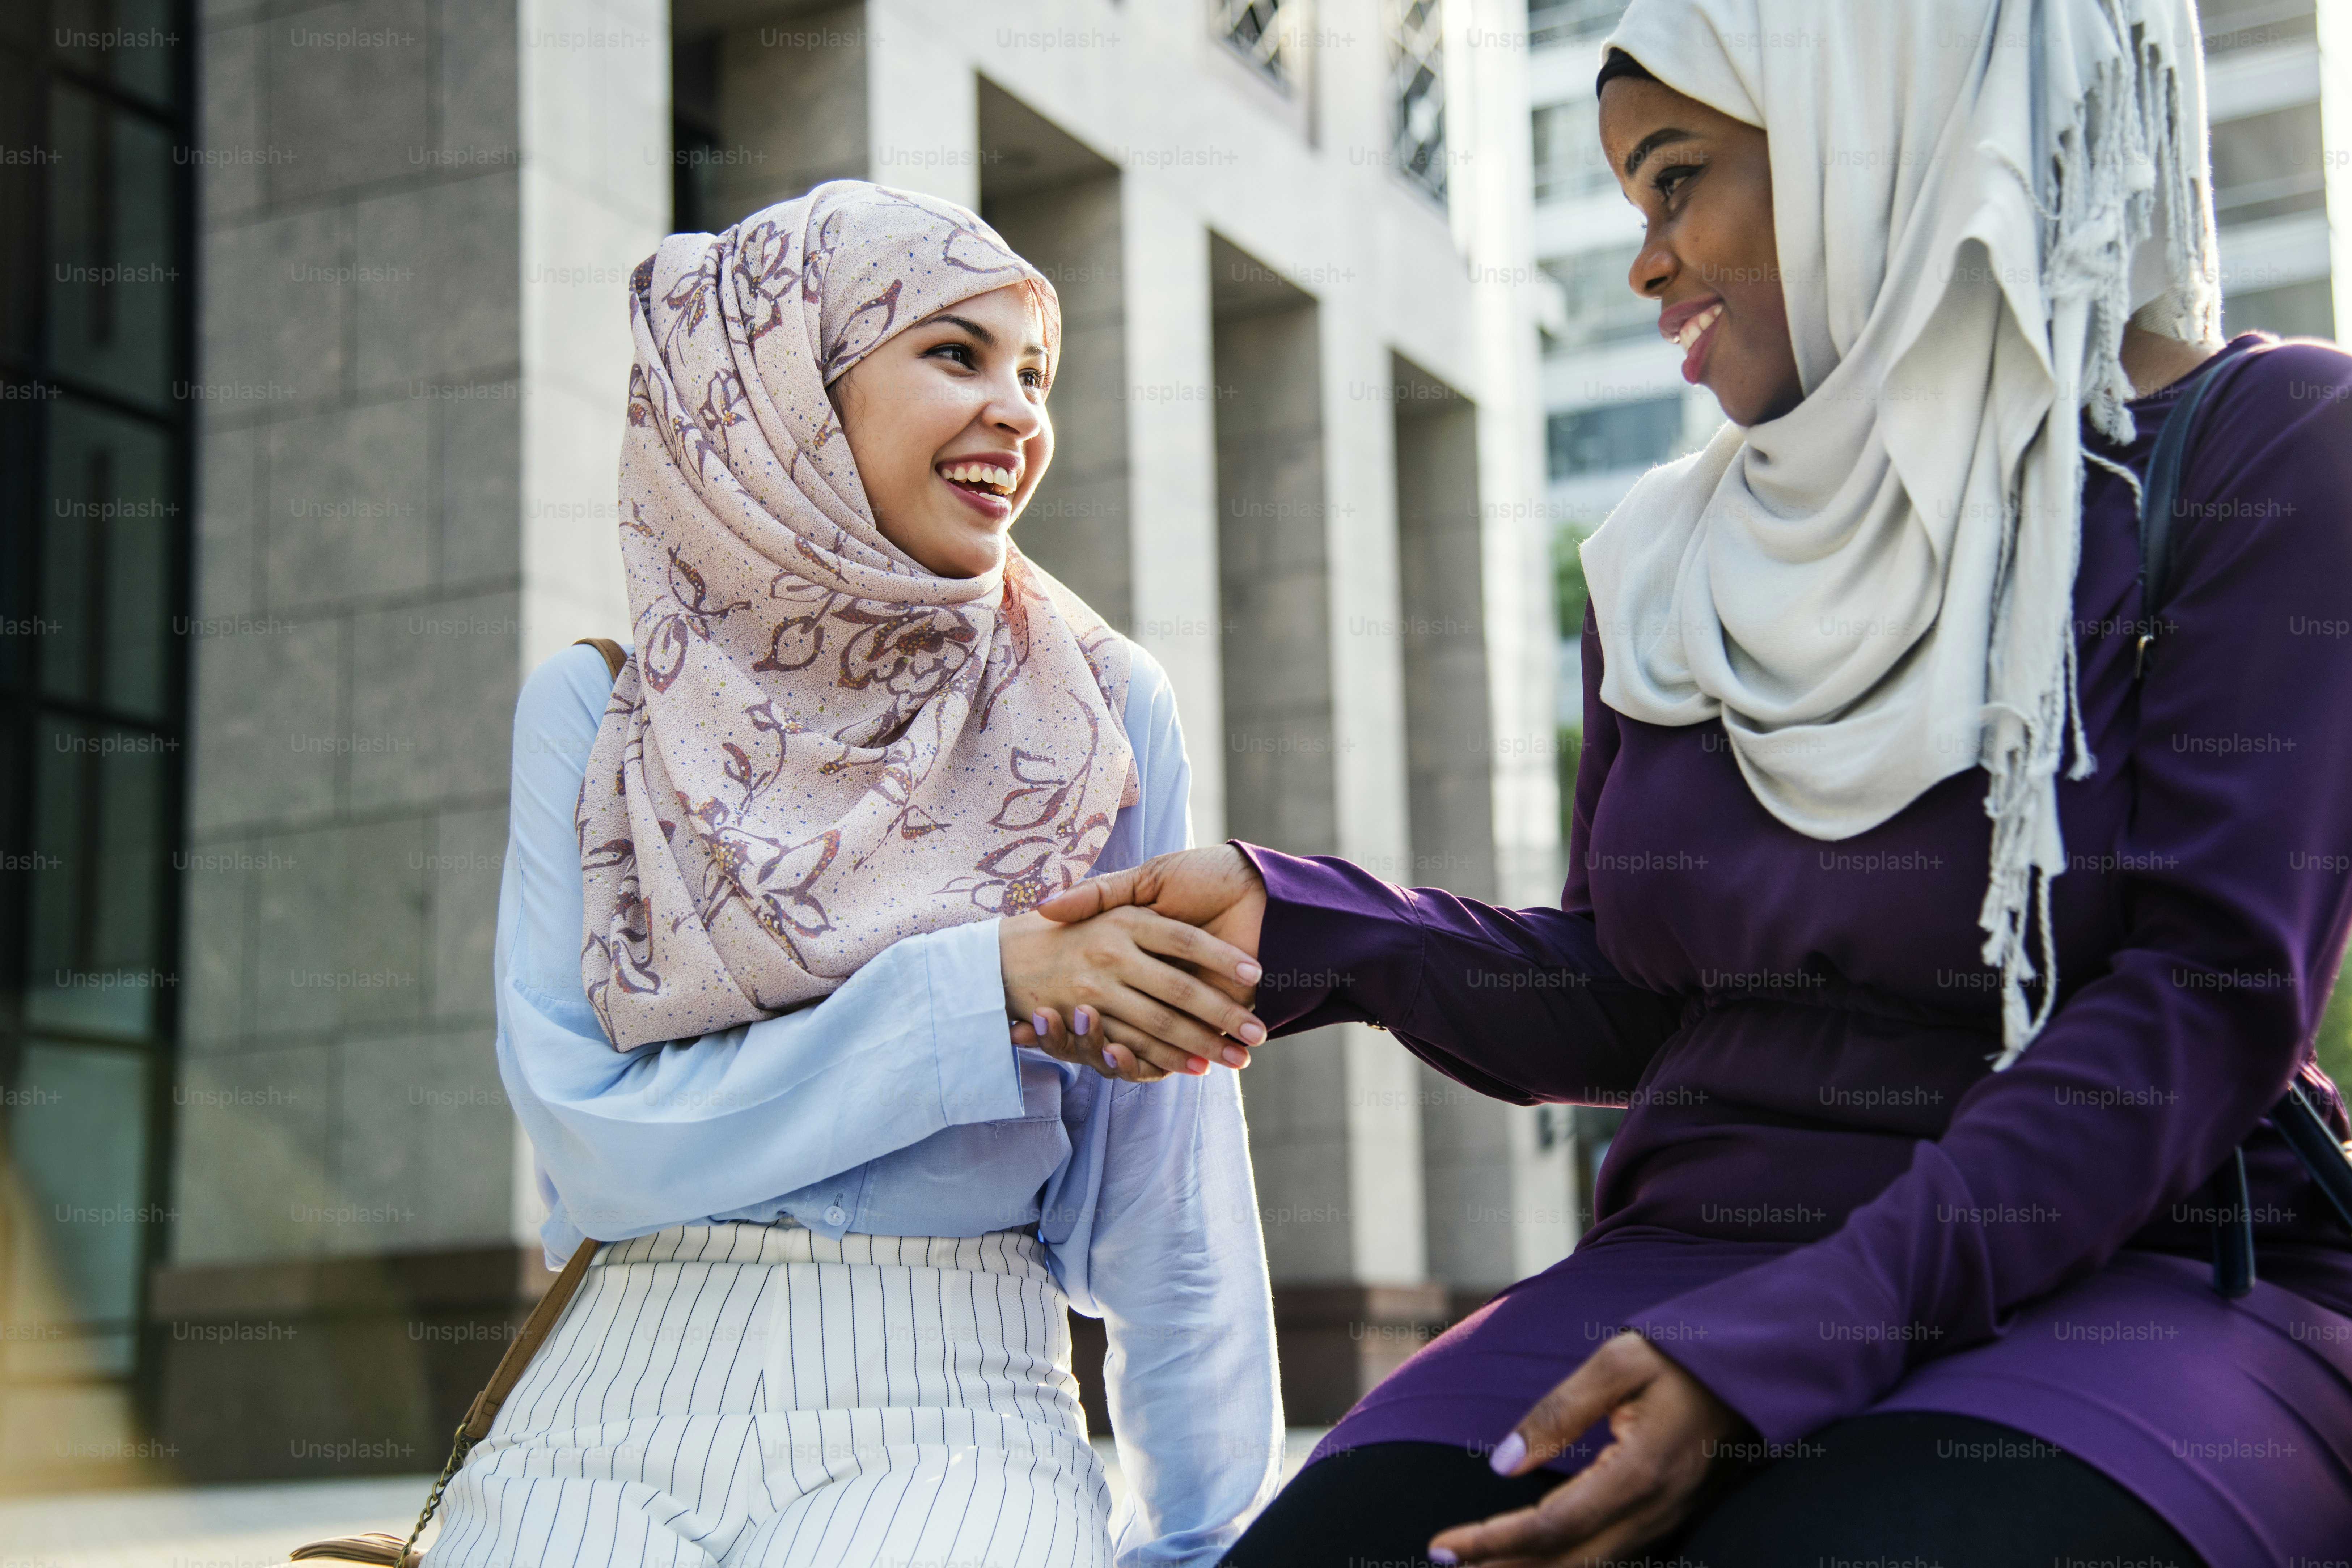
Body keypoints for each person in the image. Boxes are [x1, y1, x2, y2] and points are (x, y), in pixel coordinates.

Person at [1045, 2, 2352, 1563]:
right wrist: (1296, 921)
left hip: (2129, 1272)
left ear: (1874, 133)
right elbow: (1639, 993)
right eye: (1626, 202)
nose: (1643, 261)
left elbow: (2202, 997)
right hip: (1691, 1256)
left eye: (1675, 181)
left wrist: (1790, 1344)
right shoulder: (1671, 555)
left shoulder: (2266, 446)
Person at [427, 181, 1281, 1568]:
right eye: (956, 355)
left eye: (1035, 374)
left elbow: (1167, 1198)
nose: (1018, 412)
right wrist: (981, 988)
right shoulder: (598, 719)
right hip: (601, 1392)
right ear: (784, 396)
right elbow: (596, 1143)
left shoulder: (1098, 717)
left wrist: (1201, 1535)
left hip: (949, 1398)